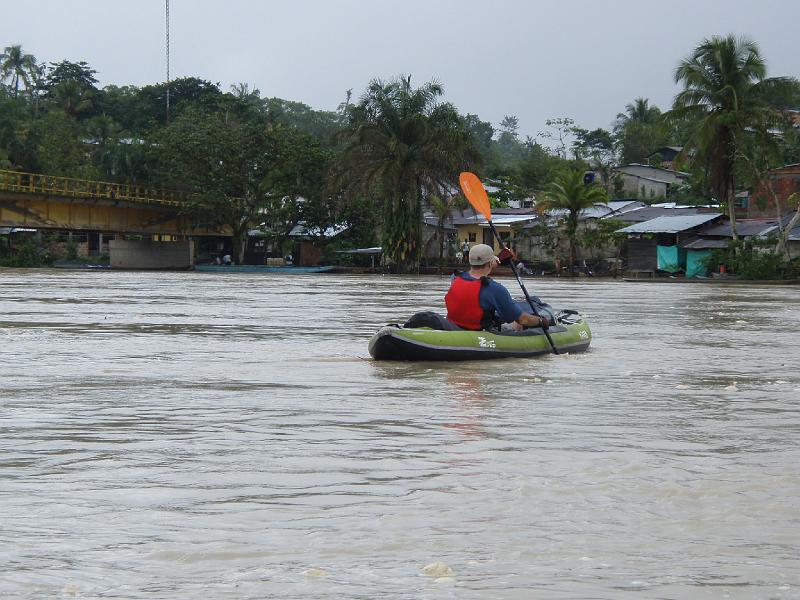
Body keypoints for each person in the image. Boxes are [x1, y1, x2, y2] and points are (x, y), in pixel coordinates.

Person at [445, 243, 549, 331]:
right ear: (490, 263)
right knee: (516, 323)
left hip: (454, 327)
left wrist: (500, 260)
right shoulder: (494, 289)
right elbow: (523, 319)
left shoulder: (455, 278)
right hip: (481, 332)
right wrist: (541, 320)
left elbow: (478, 270)